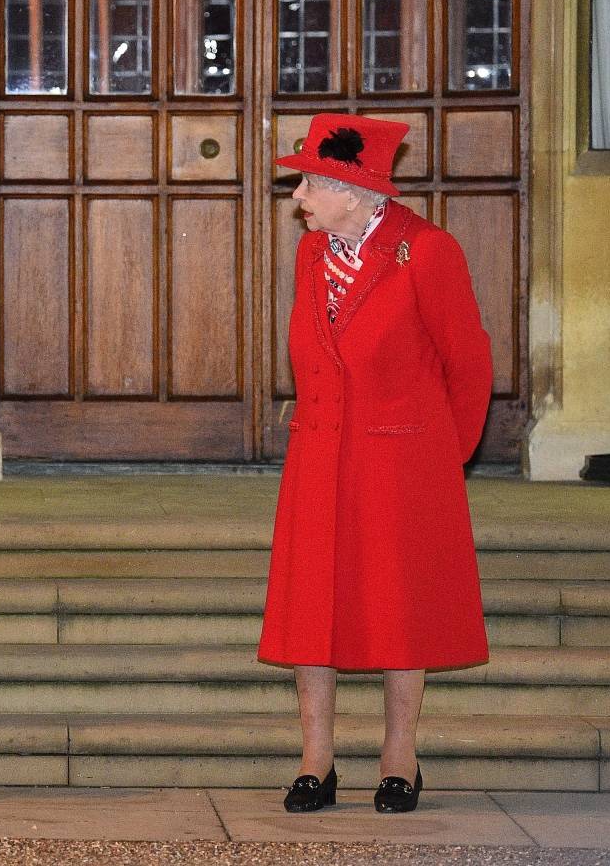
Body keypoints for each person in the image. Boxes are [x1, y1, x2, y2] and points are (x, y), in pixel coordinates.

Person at [258, 113, 493, 815]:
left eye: (308, 183)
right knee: (311, 610)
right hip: (320, 453)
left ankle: (399, 758)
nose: (298, 195)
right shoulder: (311, 255)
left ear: (354, 192)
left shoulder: (427, 252)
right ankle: (316, 760)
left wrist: (440, 462)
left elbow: (470, 365)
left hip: (401, 463)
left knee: (399, 611)